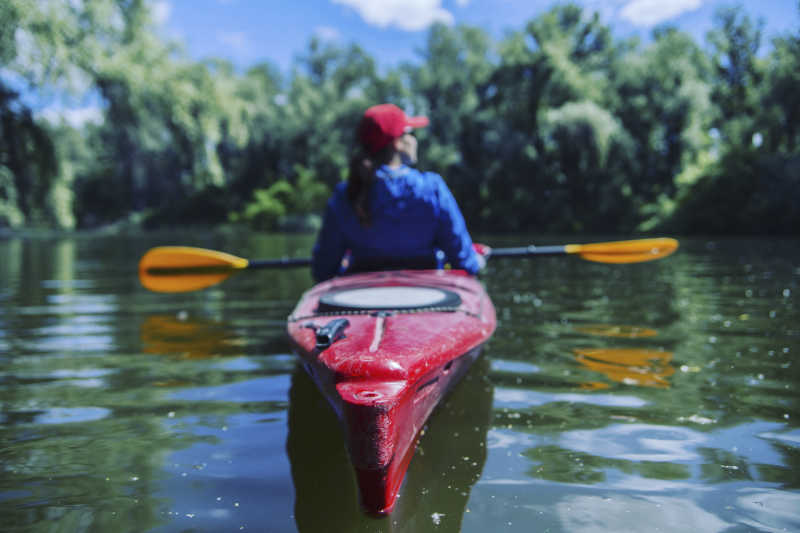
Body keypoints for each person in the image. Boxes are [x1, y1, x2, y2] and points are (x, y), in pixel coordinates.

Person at [311, 103, 483, 282]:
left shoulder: (344, 195)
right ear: (398, 142)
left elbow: (323, 270)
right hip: (425, 294)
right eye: (410, 133)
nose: (414, 140)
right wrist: (477, 261)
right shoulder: (433, 188)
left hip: (363, 294)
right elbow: (463, 262)